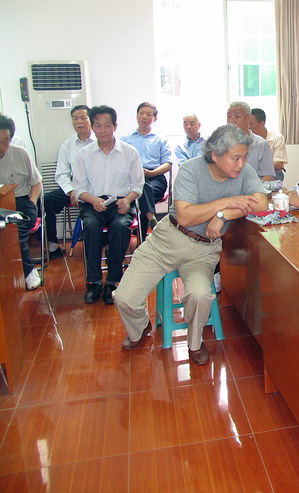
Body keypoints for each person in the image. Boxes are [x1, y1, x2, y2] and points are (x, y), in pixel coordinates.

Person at [114, 124, 266, 364]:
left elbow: (260, 203)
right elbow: (185, 216)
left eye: (245, 157)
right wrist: (228, 201)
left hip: (203, 249)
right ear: (215, 155)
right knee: (124, 297)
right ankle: (140, 327)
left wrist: (222, 215)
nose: (241, 163)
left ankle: (195, 343)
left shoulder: (245, 172)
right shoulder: (190, 170)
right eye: (235, 158)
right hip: (167, 240)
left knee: (200, 295)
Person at [72, 105, 144, 304]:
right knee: (91, 227)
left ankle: (113, 281)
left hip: (120, 202)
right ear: (92, 127)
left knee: (120, 227)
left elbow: (138, 185)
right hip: (92, 203)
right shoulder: (83, 155)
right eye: (98, 125)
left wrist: (128, 200)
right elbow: (78, 188)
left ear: (115, 127)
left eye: (107, 125)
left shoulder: (130, 152)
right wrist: (92, 199)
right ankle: (94, 282)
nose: (102, 130)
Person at [43, 105, 94, 259]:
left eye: (83, 118)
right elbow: (62, 174)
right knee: (47, 201)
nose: (79, 121)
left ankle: (105, 243)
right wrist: (71, 191)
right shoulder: (67, 145)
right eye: (75, 118)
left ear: (91, 120)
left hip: (96, 188)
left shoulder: (101, 141)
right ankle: (53, 246)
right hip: (74, 186)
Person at [0, 114, 42, 290]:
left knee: (15, 233)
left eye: (5, 141)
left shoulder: (20, 153)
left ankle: (29, 270)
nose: (1, 145)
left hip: (22, 202)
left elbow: (37, 183)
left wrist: (32, 202)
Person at [122, 102, 172, 232]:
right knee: (141, 188)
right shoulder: (125, 139)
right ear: (136, 115)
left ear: (155, 118)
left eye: (148, 114)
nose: (144, 116)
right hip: (131, 179)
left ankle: (140, 235)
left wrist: (151, 173)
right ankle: (151, 219)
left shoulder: (160, 139)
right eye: (141, 113)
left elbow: (167, 164)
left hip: (155, 178)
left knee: (140, 192)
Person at [226, 101, 275, 182]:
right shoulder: (221, 144)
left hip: (253, 187)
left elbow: (268, 176)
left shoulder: (261, 144)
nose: (232, 121)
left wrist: (252, 187)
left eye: (237, 117)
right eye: (229, 117)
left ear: (248, 119)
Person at [250, 108, 287, 182]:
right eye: (247, 123)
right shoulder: (247, 138)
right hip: (253, 172)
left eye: (251, 123)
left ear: (262, 123)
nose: (249, 127)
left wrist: (260, 166)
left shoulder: (277, 137)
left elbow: (279, 163)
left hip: (273, 171)